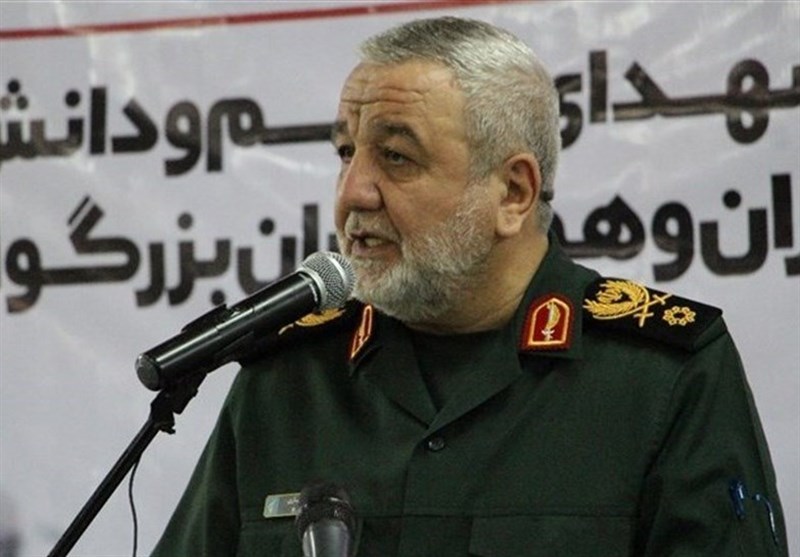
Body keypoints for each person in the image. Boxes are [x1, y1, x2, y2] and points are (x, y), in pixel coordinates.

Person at [151, 17, 788, 557]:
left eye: (395, 157)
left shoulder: (661, 375)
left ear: (512, 192)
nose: (352, 193)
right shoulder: (287, 380)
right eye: (346, 153)